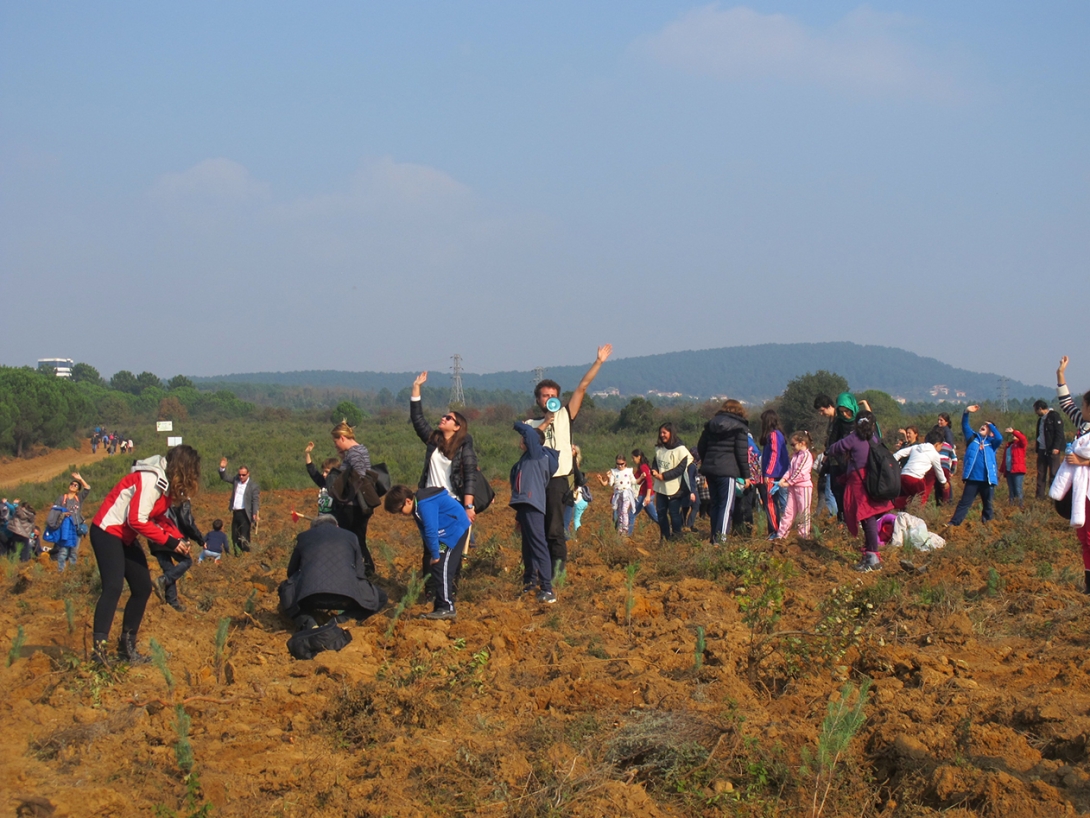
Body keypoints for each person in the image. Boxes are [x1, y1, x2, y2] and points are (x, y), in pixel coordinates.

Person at [89, 446, 201, 664]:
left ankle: (127, 650)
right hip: (107, 531)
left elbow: (158, 517)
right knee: (113, 587)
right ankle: (99, 654)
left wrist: (178, 537)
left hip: (125, 536)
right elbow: (137, 520)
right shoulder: (151, 480)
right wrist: (170, 542)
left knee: (142, 588)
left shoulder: (164, 485)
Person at [526, 344, 613, 575]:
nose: (549, 399)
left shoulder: (566, 415)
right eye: (545, 396)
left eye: (553, 395)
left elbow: (582, 387)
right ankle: (537, 572)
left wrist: (598, 362)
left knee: (555, 530)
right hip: (536, 483)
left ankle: (557, 574)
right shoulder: (530, 424)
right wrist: (546, 422)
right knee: (536, 530)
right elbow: (525, 445)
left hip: (558, 480)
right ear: (538, 400)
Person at [278, 514, 388, 630]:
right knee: (381, 597)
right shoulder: (351, 537)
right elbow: (360, 573)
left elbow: (291, 571)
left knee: (284, 590)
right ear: (337, 526)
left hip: (310, 598)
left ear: (313, 528)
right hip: (347, 598)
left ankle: (308, 623)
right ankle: (342, 620)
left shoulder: (304, 537)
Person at [385, 483, 471, 619]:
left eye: (400, 510)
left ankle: (447, 607)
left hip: (454, 530)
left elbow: (431, 530)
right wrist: (433, 552)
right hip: (445, 532)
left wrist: (435, 555)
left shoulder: (424, 504)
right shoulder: (417, 506)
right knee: (437, 567)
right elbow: (424, 532)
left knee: (442, 567)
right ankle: (440, 607)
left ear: (408, 501)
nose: (401, 514)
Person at [826, 411, 894, 572]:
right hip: (872, 480)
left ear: (856, 424)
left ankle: (872, 557)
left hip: (859, 482)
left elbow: (834, 448)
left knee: (867, 517)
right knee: (868, 517)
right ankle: (869, 553)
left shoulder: (854, 437)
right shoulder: (875, 438)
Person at [409, 372, 479, 519]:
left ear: (457, 427)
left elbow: (470, 477)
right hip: (429, 501)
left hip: (451, 502)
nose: (443, 418)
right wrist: (416, 387)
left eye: (448, 418)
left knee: (455, 533)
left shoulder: (464, 447)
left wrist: (468, 507)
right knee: (432, 534)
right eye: (443, 416)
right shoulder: (433, 440)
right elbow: (417, 418)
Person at [1048, 357, 1090, 592]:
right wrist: (1060, 374)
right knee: (1084, 537)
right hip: (1082, 490)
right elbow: (1066, 403)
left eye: (1083, 405)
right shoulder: (1084, 424)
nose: (1080, 408)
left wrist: (1084, 461)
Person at [509, 420, 560, 602]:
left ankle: (547, 589)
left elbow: (531, 434)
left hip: (532, 504)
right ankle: (529, 583)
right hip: (525, 504)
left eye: (523, 438)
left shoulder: (536, 454)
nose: (521, 440)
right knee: (528, 546)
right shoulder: (528, 459)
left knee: (538, 545)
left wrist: (518, 424)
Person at [329, 420, 379, 577]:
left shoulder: (354, 453)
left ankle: (364, 571)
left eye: (336, 442)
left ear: (342, 438)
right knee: (357, 538)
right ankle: (363, 570)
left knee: (353, 538)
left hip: (355, 506)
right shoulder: (359, 450)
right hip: (357, 505)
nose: (336, 446)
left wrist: (345, 495)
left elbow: (360, 477)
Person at [697, 399, 751, 543]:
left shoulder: (710, 425)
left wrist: (707, 461)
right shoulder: (739, 427)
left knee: (715, 504)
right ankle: (721, 541)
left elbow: (701, 447)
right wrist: (746, 476)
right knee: (726, 506)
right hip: (727, 471)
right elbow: (741, 454)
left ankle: (714, 538)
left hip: (710, 470)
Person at [948, 406, 1003, 526]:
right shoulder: (972, 438)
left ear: (991, 432)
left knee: (988, 505)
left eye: (987, 427)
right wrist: (966, 412)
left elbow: (999, 437)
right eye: (984, 425)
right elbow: (965, 425)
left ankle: (987, 525)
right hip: (972, 478)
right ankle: (953, 523)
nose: (984, 426)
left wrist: (991, 426)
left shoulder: (992, 443)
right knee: (964, 503)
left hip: (987, 480)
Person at [153, 499, 204, 612]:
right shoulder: (181, 496)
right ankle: (163, 580)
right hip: (171, 537)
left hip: (154, 537)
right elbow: (186, 521)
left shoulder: (158, 495)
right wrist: (200, 539)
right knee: (187, 561)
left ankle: (172, 603)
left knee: (169, 570)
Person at [652, 423, 692, 540]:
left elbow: (680, 468)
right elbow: (655, 461)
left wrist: (664, 476)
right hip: (661, 487)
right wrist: (654, 470)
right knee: (661, 512)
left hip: (675, 488)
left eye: (664, 432)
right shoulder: (659, 448)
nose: (662, 435)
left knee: (674, 513)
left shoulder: (680, 449)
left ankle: (677, 537)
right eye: (660, 433)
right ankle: (665, 537)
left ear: (671, 433)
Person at [892, 430, 948, 510]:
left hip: (903, 475)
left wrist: (892, 463)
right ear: (937, 444)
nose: (941, 448)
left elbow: (899, 453)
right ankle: (917, 514)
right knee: (921, 499)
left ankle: (891, 505)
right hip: (915, 478)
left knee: (909, 498)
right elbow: (938, 471)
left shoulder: (916, 447)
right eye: (941, 446)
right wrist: (944, 482)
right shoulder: (934, 454)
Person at [774, 431, 814, 539]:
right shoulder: (795, 456)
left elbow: (800, 472)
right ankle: (781, 536)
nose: (792, 447)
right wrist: (783, 479)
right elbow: (790, 470)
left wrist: (788, 482)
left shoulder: (806, 456)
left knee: (803, 513)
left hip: (803, 488)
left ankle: (803, 537)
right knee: (788, 512)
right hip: (793, 488)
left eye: (793, 444)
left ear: (802, 443)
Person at [758, 409, 789, 538]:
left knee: (770, 502)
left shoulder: (774, 435)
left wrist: (768, 473)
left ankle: (775, 531)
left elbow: (774, 455)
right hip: (779, 473)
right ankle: (780, 530)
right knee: (781, 502)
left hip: (774, 474)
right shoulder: (778, 434)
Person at [219, 458, 259, 554]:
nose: (241, 476)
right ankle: (237, 555)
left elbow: (255, 500)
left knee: (244, 536)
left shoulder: (253, 486)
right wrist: (222, 468)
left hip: (245, 513)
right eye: (239, 474)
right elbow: (224, 477)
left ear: (248, 474)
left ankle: (246, 554)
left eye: (243, 475)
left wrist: (255, 513)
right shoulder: (236, 480)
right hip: (236, 513)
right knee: (234, 536)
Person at [54, 473, 91, 571]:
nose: (73, 486)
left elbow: (87, 488)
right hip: (65, 527)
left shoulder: (79, 499)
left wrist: (80, 479)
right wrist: (62, 514)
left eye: (76, 485)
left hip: (76, 527)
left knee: (74, 551)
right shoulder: (62, 498)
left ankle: (71, 571)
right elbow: (55, 510)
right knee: (63, 551)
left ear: (78, 490)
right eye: (72, 484)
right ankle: (61, 570)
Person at [1033, 398, 1066, 500]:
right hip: (1042, 449)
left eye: (1036, 410)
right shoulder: (1040, 420)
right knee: (1041, 473)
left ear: (1040, 408)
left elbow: (1059, 433)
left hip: (1052, 450)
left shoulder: (1054, 417)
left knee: (1054, 473)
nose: (1035, 412)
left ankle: (1054, 496)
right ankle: (1040, 496)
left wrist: (1056, 447)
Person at [598, 454, 637, 535]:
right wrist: (607, 477)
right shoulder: (613, 472)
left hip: (626, 494)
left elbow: (634, 481)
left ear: (625, 463)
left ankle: (625, 529)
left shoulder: (629, 471)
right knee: (619, 512)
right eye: (618, 464)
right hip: (618, 495)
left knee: (624, 511)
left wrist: (642, 477)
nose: (620, 466)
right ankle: (620, 528)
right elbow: (610, 484)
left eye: (621, 464)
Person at [629, 449, 658, 533]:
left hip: (644, 495)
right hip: (646, 495)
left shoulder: (643, 467)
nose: (632, 460)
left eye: (633, 458)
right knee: (654, 516)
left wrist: (647, 496)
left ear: (639, 457)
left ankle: (626, 535)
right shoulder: (643, 466)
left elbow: (649, 481)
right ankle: (668, 529)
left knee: (632, 514)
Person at [998, 427, 1028, 507]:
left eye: (1016, 434)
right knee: (1011, 490)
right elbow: (1005, 460)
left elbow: (1023, 439)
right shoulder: (1009, 446)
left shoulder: (1021, 445)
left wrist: (1013, 431)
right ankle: (1011, 506)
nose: (1014, 435)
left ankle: (1020, 506)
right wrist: (1000, 472)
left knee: (1018, 489)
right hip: (1009, 471)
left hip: (1018, 470)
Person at [565, 446, 589, 538]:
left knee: (571, 520)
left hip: (574, 499)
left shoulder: (574, 468)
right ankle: (573, 538)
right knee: (571, 520)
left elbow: (579, 480)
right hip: (574, 498)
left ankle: (574, 538)